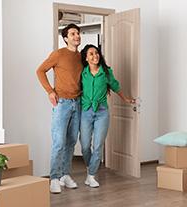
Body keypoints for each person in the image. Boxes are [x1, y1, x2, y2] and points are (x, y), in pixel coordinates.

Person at [80, 44, 135, 187]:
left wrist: (126, 99)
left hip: (102, 112)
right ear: (86, 58)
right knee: (85, 145)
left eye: (96, 53)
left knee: (98, 145)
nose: (95, 56)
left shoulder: (106, 72)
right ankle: (89, 167)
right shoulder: (82, 73)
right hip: (85, 111)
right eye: (91, 54)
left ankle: (91, 176)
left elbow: (116, 87)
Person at [36, 24, 82, 193]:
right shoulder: (59, 54)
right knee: (59, 142)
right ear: (65, 38)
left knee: (71, 142)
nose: (77, 36)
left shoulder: (81, 57)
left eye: (78, 33)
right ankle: (54, 178)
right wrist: (50, 91)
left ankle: (65, 175)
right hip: (61, 103)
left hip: (78, 103)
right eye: (73, 34)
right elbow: (40, 71)